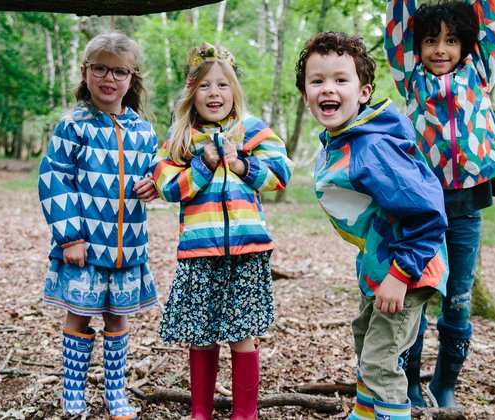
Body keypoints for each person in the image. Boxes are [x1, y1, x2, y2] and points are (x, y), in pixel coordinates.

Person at [295, 31, 449, 420]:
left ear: (363, 92)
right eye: (318, 81)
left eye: (340, 80)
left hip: (408, 270)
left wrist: (400, 274)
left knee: (381, 360)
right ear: (305, 95)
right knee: (366, 340)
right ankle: (365, 413)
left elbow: (429, 213)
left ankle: (392, 414)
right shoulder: (342, 139)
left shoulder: (373, 147)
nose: (328, 88)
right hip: (380, 267)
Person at [153, 42, 294, 420]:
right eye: (204, 86)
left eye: (223, 85)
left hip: (247, 250)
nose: (214, 94)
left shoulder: (252, 131)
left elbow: (281, 175)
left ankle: (244, 413)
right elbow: (168, 187)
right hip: (200, 250)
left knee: (242, 333)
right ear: (191, 92)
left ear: (235, 91)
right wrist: (204, 164)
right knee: (201, 334)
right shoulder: (181, 138)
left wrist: (243, 165)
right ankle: (200, 412)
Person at [385, 0, 495, 408]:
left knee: (457, 300)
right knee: (417, 299)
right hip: (421, 211)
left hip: (466, 208)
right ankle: (408, 386)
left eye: (452, 41)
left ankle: (445, 385)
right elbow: (397, 24)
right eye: (431, 40)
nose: (441, 49)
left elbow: (489, 21)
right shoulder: (411, 78)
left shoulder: (479, 72)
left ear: (466, 46)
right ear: (417, 47)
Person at [37, 31, 159, 420]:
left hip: (127, 245)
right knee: (78, 313)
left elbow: (159, 172)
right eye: (100, 69)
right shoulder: (74, 124)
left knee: (117, 317)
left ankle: (115, 391)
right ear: (85, 71)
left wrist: (155, 184)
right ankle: (72, 392)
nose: (109, 78)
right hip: (85, 246)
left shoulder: (143, 130)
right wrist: (70, 236)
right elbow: (54, 179)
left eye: (119, 71)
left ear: (132, 77)